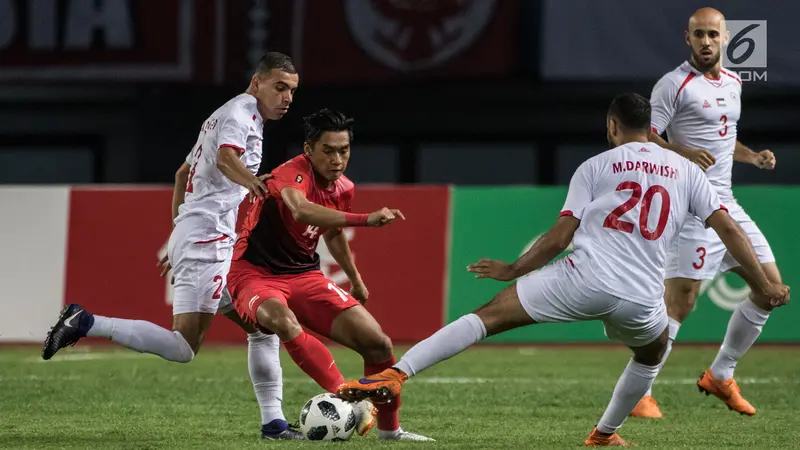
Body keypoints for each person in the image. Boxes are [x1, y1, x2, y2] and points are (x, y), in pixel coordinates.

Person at [335, 93, 790, 446]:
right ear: (651, 129)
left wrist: (514, 270)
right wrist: (765, 282)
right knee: (651, 354)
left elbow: (558, 238)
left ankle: (396, 374)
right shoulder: (686, 172)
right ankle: (604, 433)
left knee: (487, 317)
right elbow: (729, 230)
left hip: (582, 279)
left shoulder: (595, 166)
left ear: (612, 126)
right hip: (641, 296)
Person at [41, 53, 304, 440]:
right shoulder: (242, 112)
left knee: (262, 327)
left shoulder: (228, 114)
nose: (287, 98)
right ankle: (85, 321)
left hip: (203, 236)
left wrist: (179, 233)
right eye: (280, 87)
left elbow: (183, 174)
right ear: (256, 83)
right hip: (208, 239)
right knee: (184, 347)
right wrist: (251, 183)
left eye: (292, 91)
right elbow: (226, 158)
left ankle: (274, 423)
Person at [227, 108, 433, 441]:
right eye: (328, 150)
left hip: (305, 275)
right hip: (254, 275)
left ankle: (390, 432)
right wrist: (365, 219)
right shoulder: (291, 174)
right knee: (283, 323)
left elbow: (331, 231)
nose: (337, 159)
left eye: (344, 150)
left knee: (378, 344)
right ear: (309, 149)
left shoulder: (342, 187)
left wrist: (356, 278)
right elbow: (301, 209)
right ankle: (350, 400)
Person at [632, 7, 786, 419]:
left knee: (771, 289)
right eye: (698, 35)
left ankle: (721, 374)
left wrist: (752, 157)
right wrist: (682, 152)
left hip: (726, 203)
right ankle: (639, 392)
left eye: (712, 35)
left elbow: (724, 139)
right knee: (680, 304)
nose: (705, 42)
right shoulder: (673, 84)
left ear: (725, 39)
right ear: (687, 39)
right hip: (690, 207)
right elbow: (645, 134)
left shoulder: (735, 82)